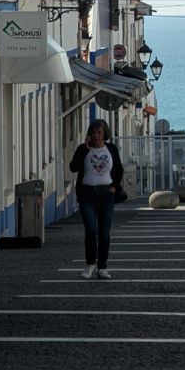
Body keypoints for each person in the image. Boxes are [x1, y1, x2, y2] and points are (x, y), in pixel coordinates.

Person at [69, 119, 124, 281]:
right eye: (93, 133)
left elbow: (119, 169)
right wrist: (85, 150)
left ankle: (102, 267)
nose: (96, 136)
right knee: (91, 230)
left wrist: (114, 186)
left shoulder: (111, 149)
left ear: (104, 133)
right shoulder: (83, 149)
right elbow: (73, 167)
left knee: (104, 233)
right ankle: (90, 264)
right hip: (87, 194)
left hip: (106, 194)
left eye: (99, 132)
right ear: (89, 134)